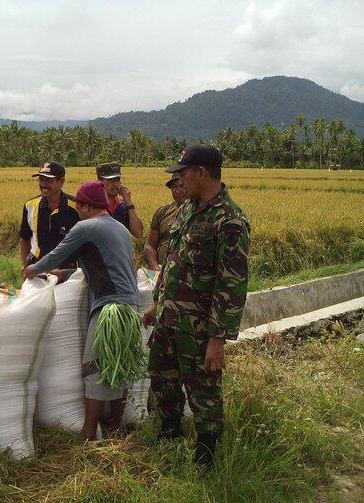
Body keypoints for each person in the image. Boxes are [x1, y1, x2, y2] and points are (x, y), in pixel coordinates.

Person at [143, 144, 250, 467]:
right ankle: (169, 433)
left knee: (203, 391)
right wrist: (157, 303)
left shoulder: (229, 221)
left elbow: (231, 284)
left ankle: (206, 455)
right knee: (163, 377)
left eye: (182, 173)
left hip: (200, 327)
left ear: (201, 172)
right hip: (169, 318)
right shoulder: (189, 209)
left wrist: (217, 340)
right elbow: (172, 261)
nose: (179, 180)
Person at [23, 181, 140, 441]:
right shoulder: (118, 228)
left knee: (95, 366)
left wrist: (32, 270)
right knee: (119, 366)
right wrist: (62, 274)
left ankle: (88, 434)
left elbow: (57, 253)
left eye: (79, 207)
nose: (77, 211)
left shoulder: (86, 226)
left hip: (110, 308)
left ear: (87, 206)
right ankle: (116, 426)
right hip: (130, 305)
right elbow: (95, 266)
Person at [19, 161, 79, 269]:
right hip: (37, 268)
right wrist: (25, 266)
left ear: (61, 181)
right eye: (41, 179)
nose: (43, 184)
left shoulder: (76, 208)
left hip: (67, 271)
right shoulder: (30, 206)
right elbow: (25, 238)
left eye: (49, 180)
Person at [142, 172, 187, 271]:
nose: (178, 191)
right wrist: (154, 267)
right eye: (174, 187)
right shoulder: (163, 212)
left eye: (182, 186)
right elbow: (149, 245)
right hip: (162, 271)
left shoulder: (200, 212)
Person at [96, 162, 144, 238]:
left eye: (117, 180)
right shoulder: (91, 205)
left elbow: (138, 233)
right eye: (111, 180)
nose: (115, 184)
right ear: (99, 182)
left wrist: (129, 203)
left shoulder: (124, 206)